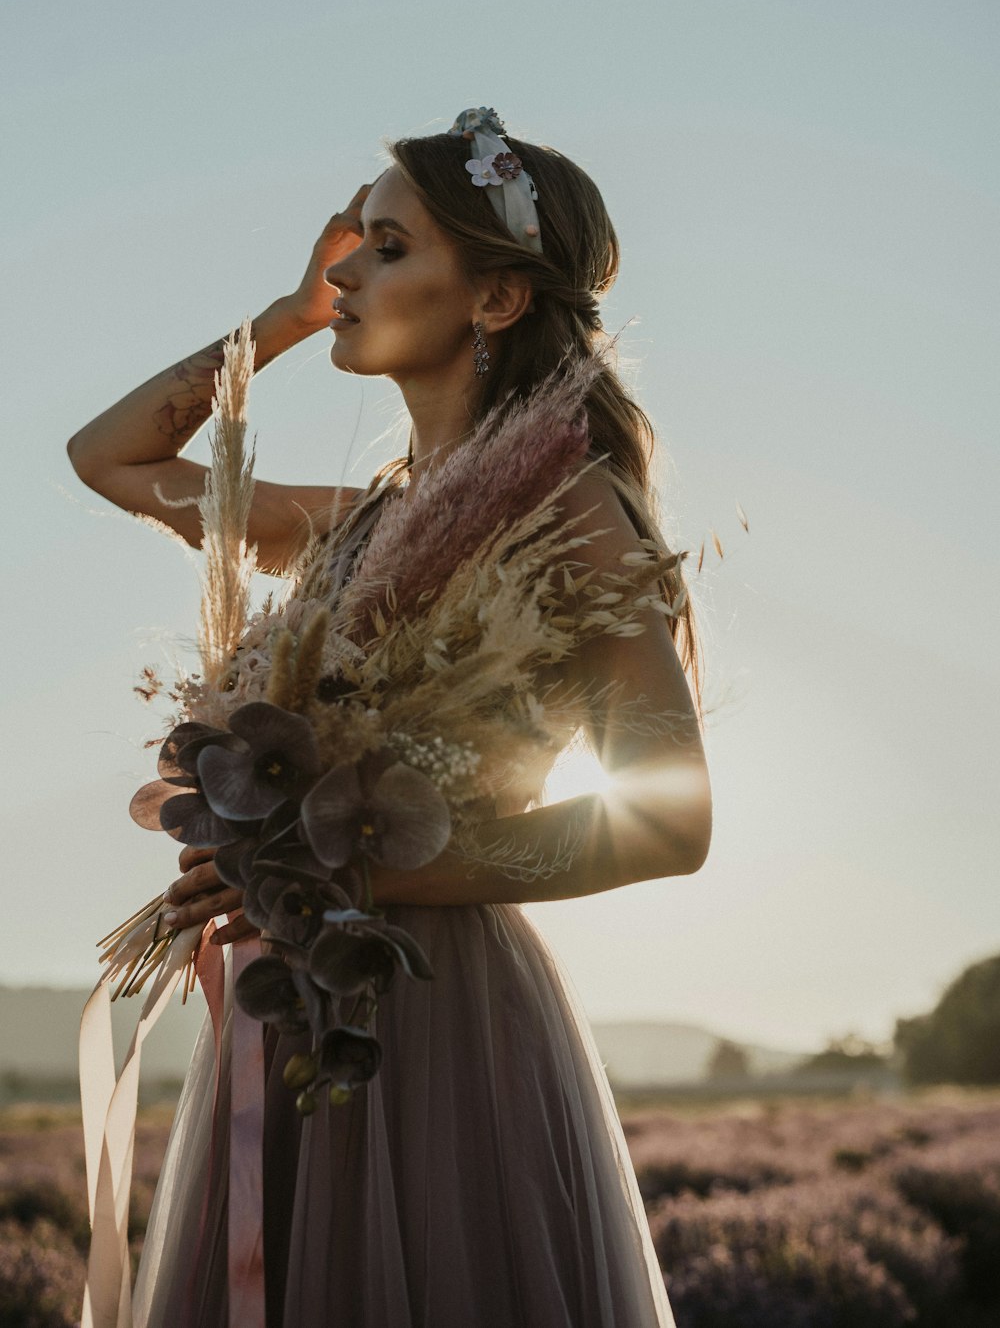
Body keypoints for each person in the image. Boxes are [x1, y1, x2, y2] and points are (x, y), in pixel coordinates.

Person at [68, 108, 712, 1328]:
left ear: (497, 300)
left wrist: (343, 864)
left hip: (443, 1016)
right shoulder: (356, 519)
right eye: (351, 246)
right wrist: (288, 316)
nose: (348, 269)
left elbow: (671, 823)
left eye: (387, 247)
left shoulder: (572, 510)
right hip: (289, 1006)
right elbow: (108, 457)